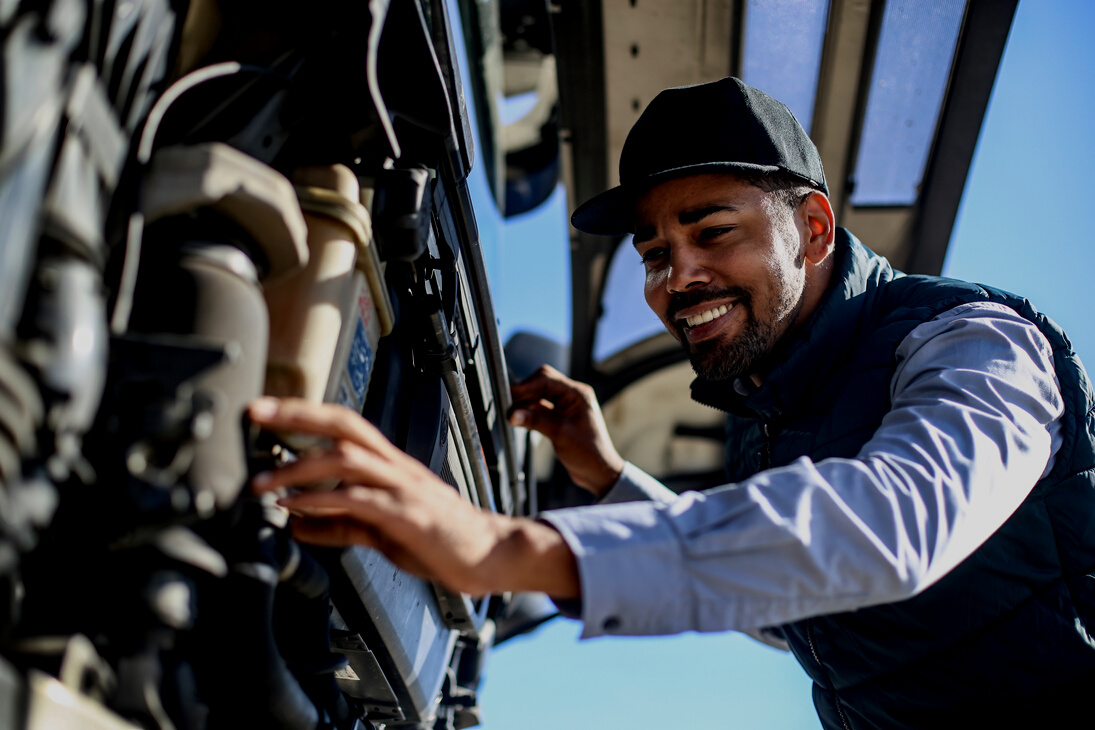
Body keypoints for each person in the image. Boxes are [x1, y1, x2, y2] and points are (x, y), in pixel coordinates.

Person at [249, 78, 1095, 727]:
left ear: (812, 229)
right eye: (653, 251)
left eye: (711, 230)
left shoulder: (975, 343)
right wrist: (608, 477)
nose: (676, 276)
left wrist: (507, 546)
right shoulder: (770, 422)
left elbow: (895, 525)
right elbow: (798, 610)